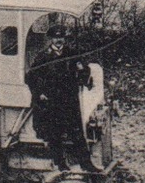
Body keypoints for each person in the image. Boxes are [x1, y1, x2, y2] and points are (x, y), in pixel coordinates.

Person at [25, 24, 97, 173]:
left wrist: (83, 71)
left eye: (61, 37)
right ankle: (61, 164)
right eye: (56, 37)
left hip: (70, 101)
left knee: (77, 134)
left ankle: (86, 163)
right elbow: (31, 77)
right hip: (53, 102)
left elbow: (85, 73)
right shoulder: (43, 56)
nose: (59, 40)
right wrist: (40, 93)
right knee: (55, 134)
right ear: (51, 39)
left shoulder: (72, 54)